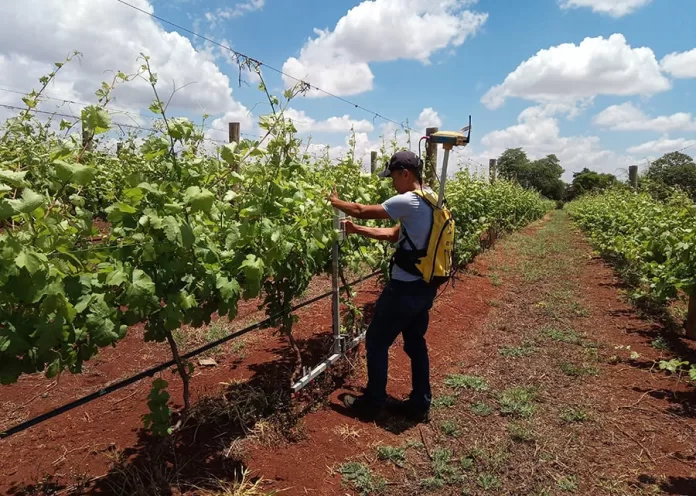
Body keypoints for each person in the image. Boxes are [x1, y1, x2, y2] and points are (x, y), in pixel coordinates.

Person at [329, 150, 437, 422]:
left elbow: (363, 210)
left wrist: (335, 201)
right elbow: (393, 234)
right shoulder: (432, 198)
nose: (391, 183)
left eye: (393, 177)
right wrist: (356, 230)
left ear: (405, 173)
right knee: (415, 342)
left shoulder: (408, 200)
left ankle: (372, 403)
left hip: (404, 290)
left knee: (376, 341)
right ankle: (419, 403)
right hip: (425, 286)